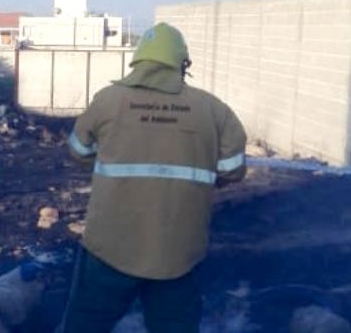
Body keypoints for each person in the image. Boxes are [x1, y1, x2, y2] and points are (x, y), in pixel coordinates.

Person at [60, 22, 247, 333]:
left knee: (86, 323)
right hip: (178, 251)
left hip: (109, 246)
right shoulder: (213, 110)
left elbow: (78, 150)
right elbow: (232, 170)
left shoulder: (108, 100)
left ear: (138, 60)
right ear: (182, 64)